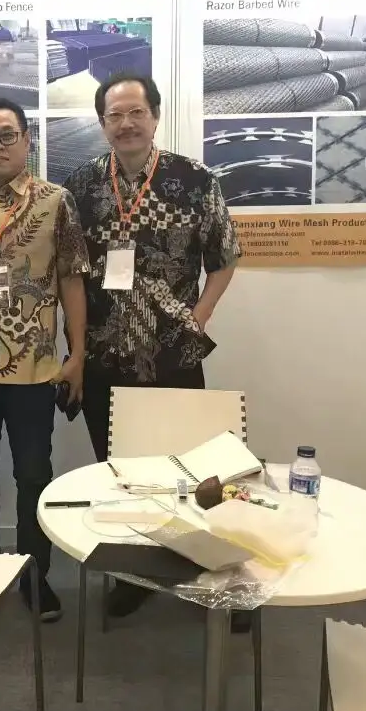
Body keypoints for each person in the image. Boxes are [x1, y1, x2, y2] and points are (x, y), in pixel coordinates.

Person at [65, 72, 241, 618]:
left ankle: (203, 571)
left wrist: (197, 318)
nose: (126, 124)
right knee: (119, 469)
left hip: (173, 352)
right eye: (114, 115)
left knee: (188, 469)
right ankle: (136, 573)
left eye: (135, 112)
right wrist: (74, 350)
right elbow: (71, 274)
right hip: (104, 354)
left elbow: (225, 258)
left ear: (155, 116)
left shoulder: (196, 180)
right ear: (102, 123)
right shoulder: (81, 185)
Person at [0, 97, 89, 623]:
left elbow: (71, 279)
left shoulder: (56, 201)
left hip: (34, 368)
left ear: (27, 140)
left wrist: (78, 354)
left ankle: (34, 576)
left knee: (33, 476)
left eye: (8, 135)